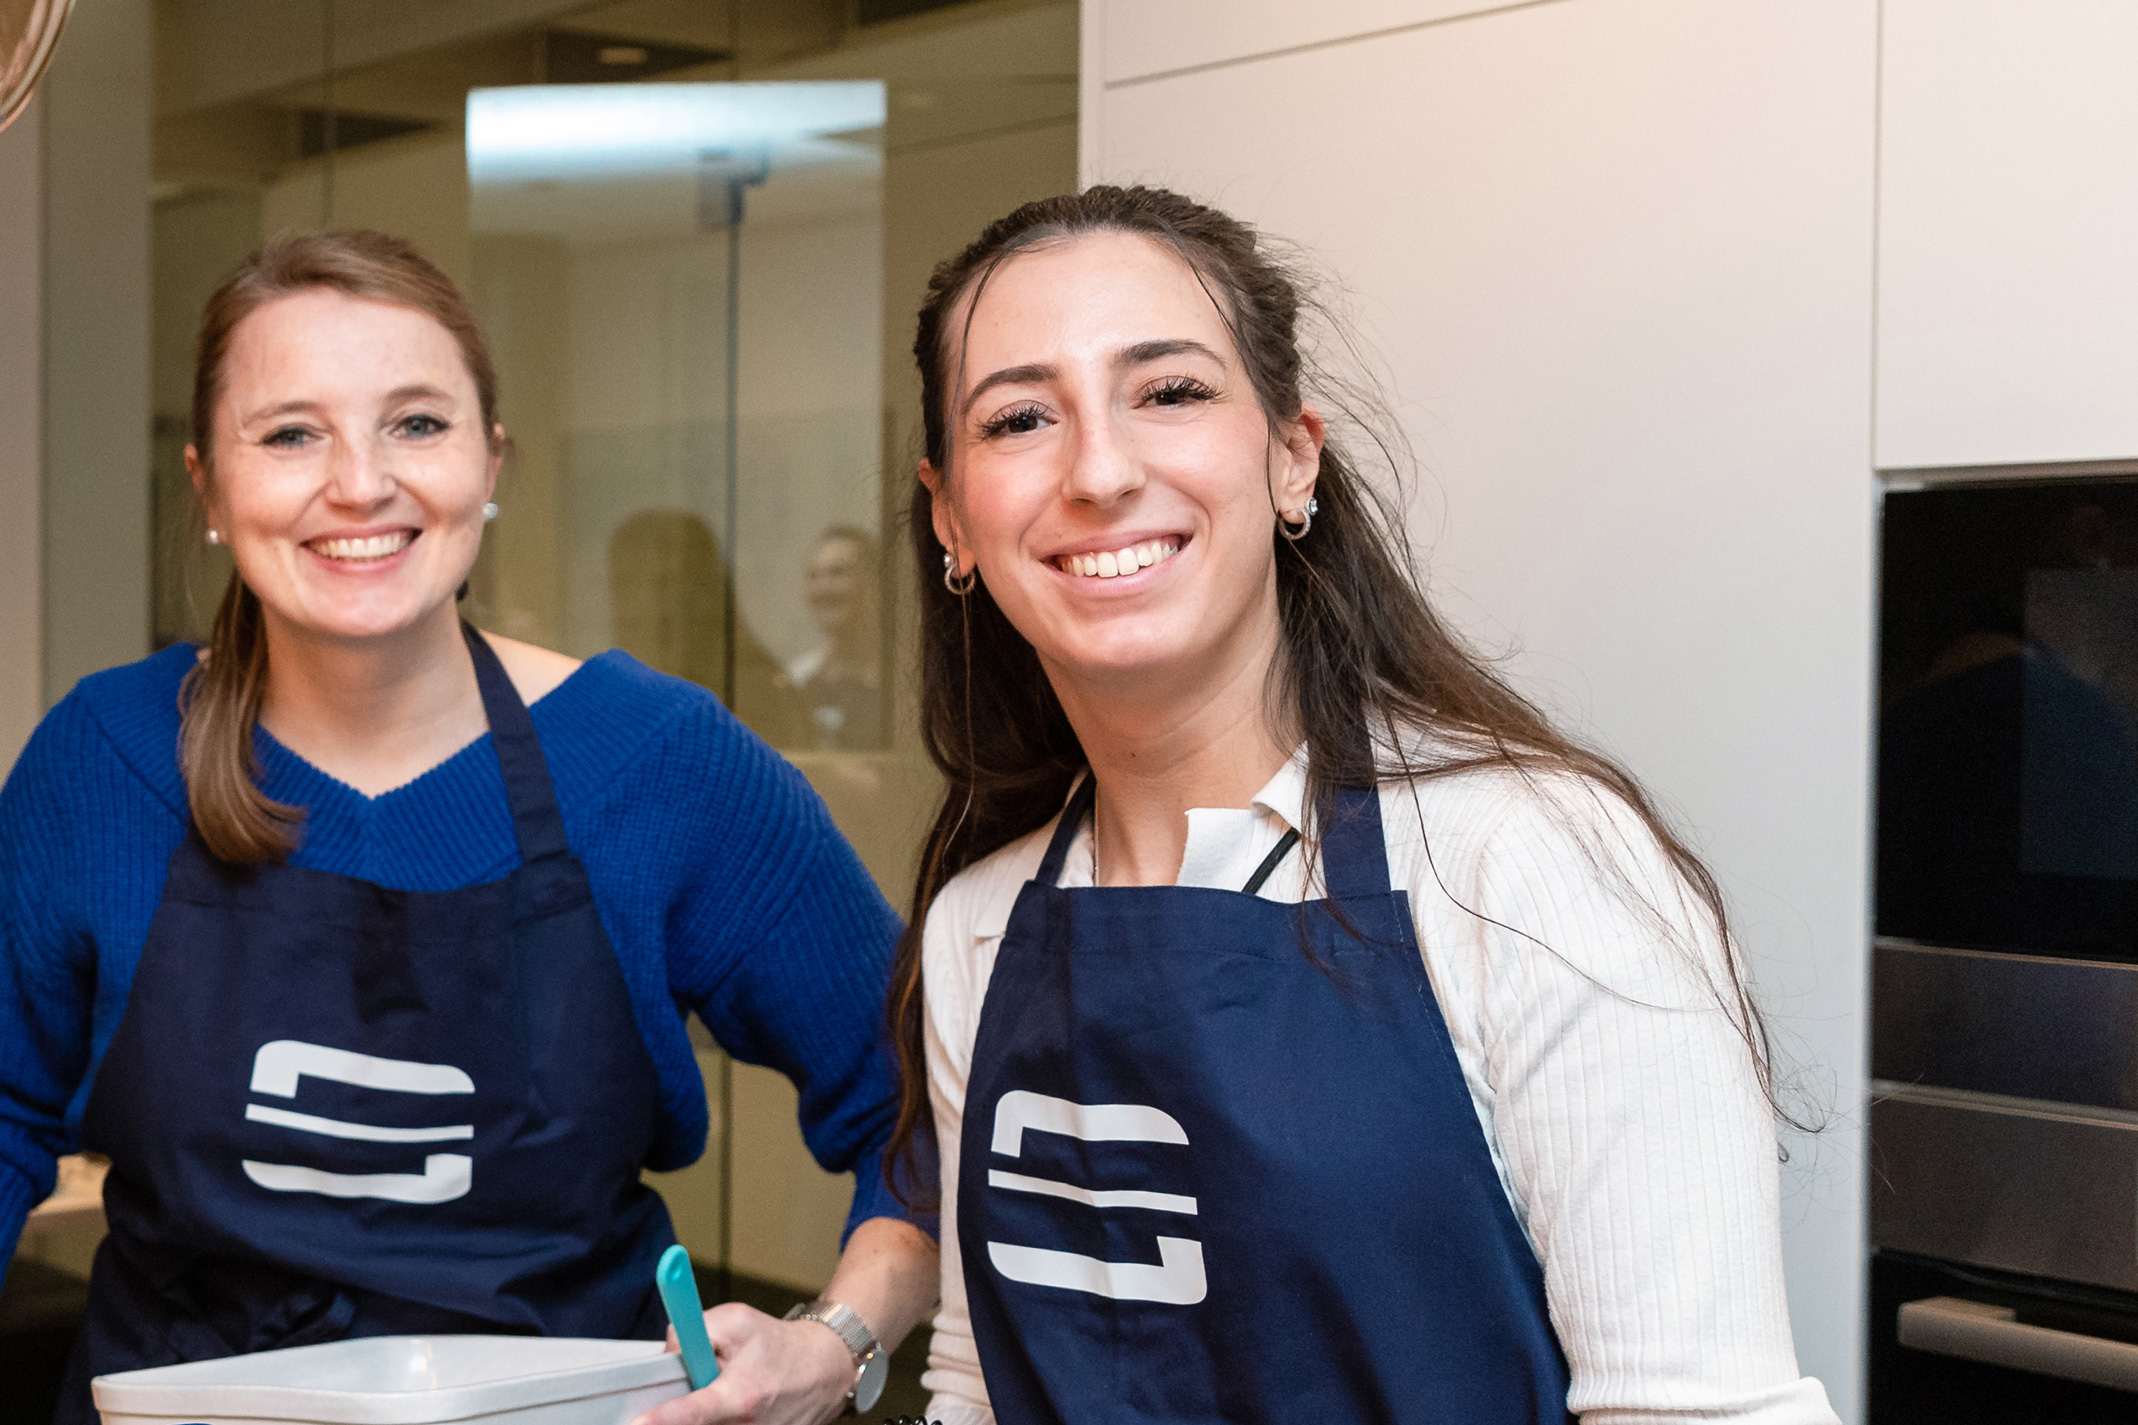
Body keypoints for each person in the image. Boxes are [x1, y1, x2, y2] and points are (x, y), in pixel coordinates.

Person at [889, 187, 1840, 1424]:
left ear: (1292, 458)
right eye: (1019, 418)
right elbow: (980, 1384)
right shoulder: (980, 926)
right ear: (952, 515)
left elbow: (1695, 1411)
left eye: (1169, 392)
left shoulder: (1527, 865)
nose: (1100, 471)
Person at [0, 230, 936, 1425]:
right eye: (290, 434)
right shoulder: (105, 760)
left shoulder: (661, 765)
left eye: (415, 423)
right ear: (209, 489)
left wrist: (838, 1343)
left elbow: (926, 1108)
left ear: (489, 461)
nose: (359, 483)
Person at [608, 508, 809, 749]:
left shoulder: (753, 689)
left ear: (701, 591)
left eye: (664, 583)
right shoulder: (620, 687)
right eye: (625, 581)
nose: (635, 606)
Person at [787, 526, 884, 751]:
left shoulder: (897, 685)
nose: (822, 589)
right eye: (813, 576)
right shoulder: (797, 680)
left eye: (837, 573)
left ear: (873, 583)